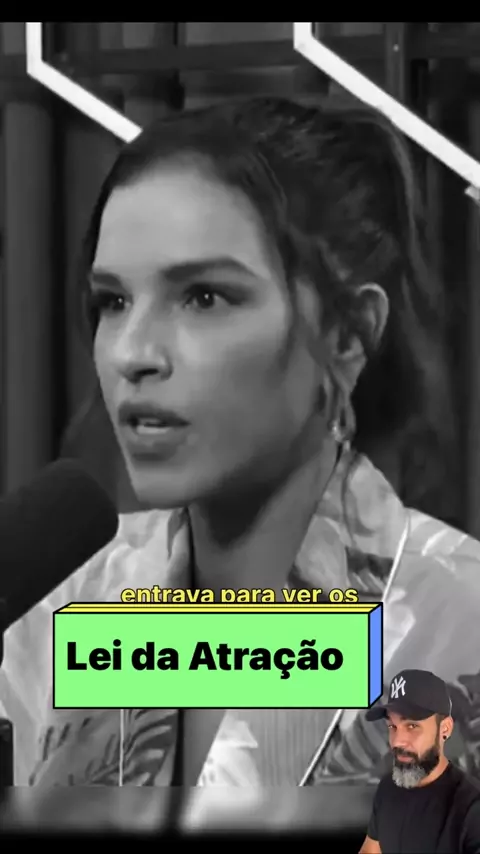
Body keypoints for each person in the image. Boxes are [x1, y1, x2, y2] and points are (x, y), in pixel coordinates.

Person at [1, 96, 480, 804]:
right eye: (112, 301)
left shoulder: (461, 625)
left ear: (349, 334)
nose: (132, 353)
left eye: (204, 298)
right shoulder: (55, 609)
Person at [359, 669, 480, 853]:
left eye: (412, 726)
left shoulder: (472, 808)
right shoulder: (387, 790)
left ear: (445, 729)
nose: (397, 741)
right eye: (392, 726)